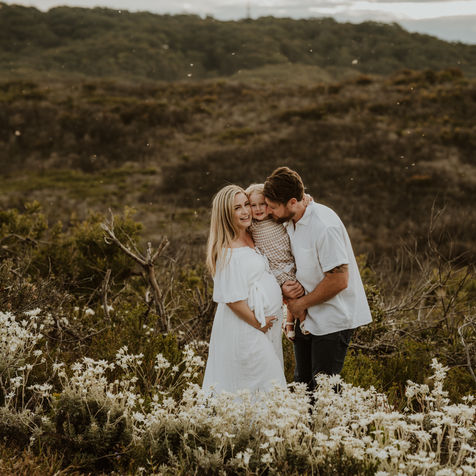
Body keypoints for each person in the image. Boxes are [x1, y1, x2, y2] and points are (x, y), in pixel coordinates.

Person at [263, 167, 372, 391]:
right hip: (308, 317)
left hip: (333, 318)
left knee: (325, 391)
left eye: (273, 207)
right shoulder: (290, 218)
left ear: (293, 202)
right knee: (303, 386)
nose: (269, 212)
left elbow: (339, 279)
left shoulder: (324, 226)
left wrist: (299, 304)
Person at [202, 184, 286, 395]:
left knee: (264, 385)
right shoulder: (226, 249)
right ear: (225, 214)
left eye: (246, 204)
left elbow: (264, 193)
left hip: (262, 328)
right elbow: (232, 299)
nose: (246, 211)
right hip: (246, 329)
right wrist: (259, 323)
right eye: (237, 208)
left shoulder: (252, 232)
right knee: (265, 382)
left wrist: (304, 197)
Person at [245, 183, 306, 341]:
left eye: (263, 204)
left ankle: (295, 319)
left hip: (290, 260)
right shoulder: (251, 225)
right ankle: (292, 322)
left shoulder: (277, 219)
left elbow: (292, 208)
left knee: (299, 289)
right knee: (289, 294)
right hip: (275, 267)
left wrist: (307, 198)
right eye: (253, 205)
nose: (258, 209)